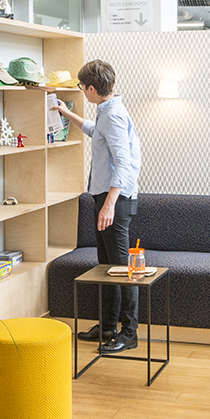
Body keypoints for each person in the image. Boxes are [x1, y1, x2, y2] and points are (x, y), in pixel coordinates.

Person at [54, 60, 142, 354]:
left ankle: (129, 334)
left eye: (82, 88)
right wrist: (68, 114)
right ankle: (106, 327)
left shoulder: (114, 116)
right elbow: (95, 131)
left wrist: (109, 205)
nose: (83, 92)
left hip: (114, 200)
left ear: (91, 88)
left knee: (121, 270)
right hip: (104, 198)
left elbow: (124, 164)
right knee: (106, 268)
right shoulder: (106, 112)